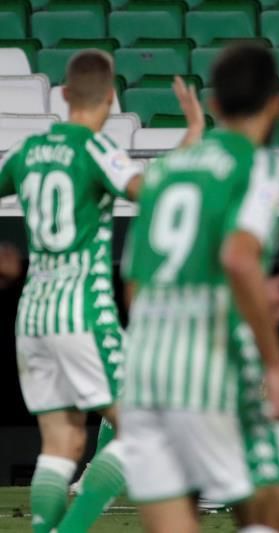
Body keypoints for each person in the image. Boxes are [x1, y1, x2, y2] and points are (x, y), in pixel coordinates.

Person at [0, 49, 203, 533]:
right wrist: (192, 137)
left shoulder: (25, 152)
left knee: (61, 444)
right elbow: (149, 190)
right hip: (81, 311)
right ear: (111, 98)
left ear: (65, 94)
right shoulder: (94, 149)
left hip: (31, 315)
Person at [120, 43, 279, 533]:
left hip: (142, 375)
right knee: (271, 508)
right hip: (209, 372)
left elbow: (135, 288)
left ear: (215, 106)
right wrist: (273, 367)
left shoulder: (165, 172)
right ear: (276, 104)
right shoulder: (257, 168)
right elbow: (239, 259)